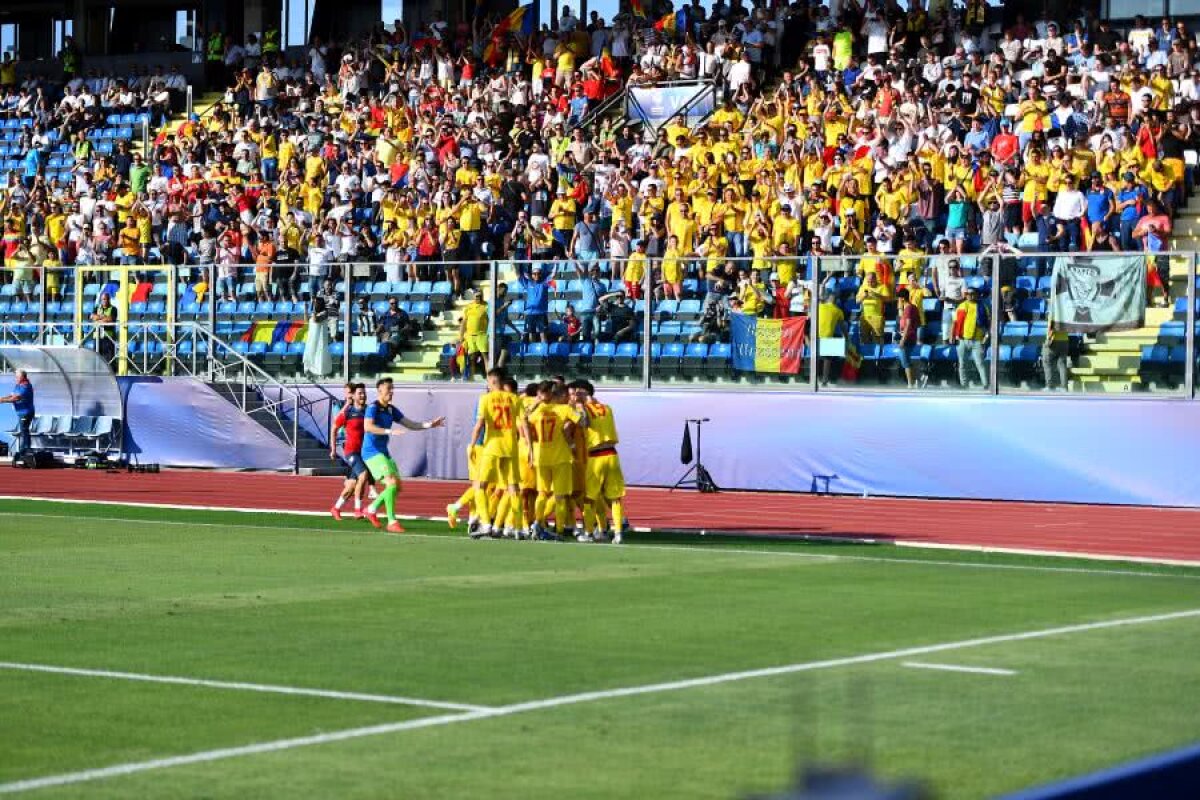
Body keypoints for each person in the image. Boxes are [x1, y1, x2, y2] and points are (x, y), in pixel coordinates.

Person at [361, 378, 446, 533]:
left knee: (397, 487)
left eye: (392, 388)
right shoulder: (373, 408)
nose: (392, 391)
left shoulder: (391, 410)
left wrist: (429, 425)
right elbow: (368, 427)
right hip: (371, 452)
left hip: (383, 452)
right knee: (391, 483)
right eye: (388, 389)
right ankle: (392, 521)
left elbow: (410, 424)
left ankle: (371, 509)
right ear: (380, 390)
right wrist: (390, 431)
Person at [467, 368, 523, 539]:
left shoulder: (485, 399)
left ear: (492, 381)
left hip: (492, 447)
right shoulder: (514, 399)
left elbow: (480, 424)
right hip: (511, 447)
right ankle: (518, 528)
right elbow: (523, 425)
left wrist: (472, 444)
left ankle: (485, 524)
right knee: (513, 488)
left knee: (480, 486)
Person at [522, 380, 580, 540]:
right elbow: (581, 422)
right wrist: (576, 409)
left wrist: (530, 449)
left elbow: (524, 419)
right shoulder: (564, 409)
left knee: (542, 494)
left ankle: (537, 524)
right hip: (560, 458)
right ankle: (559, 530)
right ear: (558, 395)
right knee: (560, 496)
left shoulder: (538, 410)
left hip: (541, 457)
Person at [573, 380, 627, 544]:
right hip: (612, 455)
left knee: (589, 497)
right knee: (615, 496)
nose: (575, 396)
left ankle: (589, 533)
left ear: (584, 393)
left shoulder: (583, 408)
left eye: (577, 392)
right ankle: (618, 533)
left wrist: (580, 408)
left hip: (596, 456)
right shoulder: (607, 408)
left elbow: (585, 423)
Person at [329, 383, 373, 519]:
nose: (363, 395)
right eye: (360, 393)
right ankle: (358, 510)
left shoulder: (369, 411)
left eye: (364, 393)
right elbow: (334, 429)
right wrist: (333, 449)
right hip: (351, 452)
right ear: (353, 396)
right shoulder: (347, 413)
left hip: (364, 453)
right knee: (363, 475)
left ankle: (335, 508)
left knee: (352, 486)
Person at [951, 287, 989, 389]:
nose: (970, 295)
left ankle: (986, 385)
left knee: (980, 363)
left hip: (977, 340)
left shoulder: (983, 307)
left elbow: (988, 324)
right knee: (962, 364)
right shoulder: (961, 306)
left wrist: (986, 336)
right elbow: (955, 323)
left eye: (972, 293)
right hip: (962, 339)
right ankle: (964, 385)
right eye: (968, 293)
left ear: (977, 295)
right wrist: (953, 336)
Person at [1, 369, 35, 459]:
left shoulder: (26, 386)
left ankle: (25, 450)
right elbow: (12, 395)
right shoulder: (18, 385)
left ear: (22, 376)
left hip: (26, 412)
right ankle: (24, 451)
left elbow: (16, 398)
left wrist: (2, 401)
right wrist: (2, 398)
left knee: (24, 430)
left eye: (17, 376)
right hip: (20, 412)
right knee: (24, 431)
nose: (15, 378)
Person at [460, 290, 489, 379]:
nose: (478, 298)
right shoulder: (469, 307)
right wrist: (461, 335)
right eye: (476, 296)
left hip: (482, 335)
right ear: (473, 296)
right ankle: (471, 377)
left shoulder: (486, 306)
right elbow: (464, 322)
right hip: (470, 335)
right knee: (472, 358)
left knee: (485, 357)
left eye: (480, 296)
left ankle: (489, 377)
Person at [90, 293, 118, 364]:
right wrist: (103, 317)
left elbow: (111, 318)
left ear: (109, 299)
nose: (104, 301)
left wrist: (99, 318)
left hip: (108, 337)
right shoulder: (96, 307)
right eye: (103, 299)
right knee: (96, 357)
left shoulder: (113, 308)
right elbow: (92, 317)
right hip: (97, 336)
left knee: (109, 359)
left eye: (106, 299)